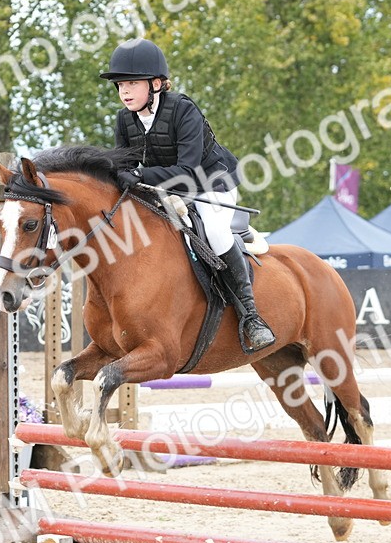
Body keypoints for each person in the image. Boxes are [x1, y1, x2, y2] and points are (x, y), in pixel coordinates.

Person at [100, 38, 275, 352]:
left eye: (132, 83)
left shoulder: (183, 109)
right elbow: (122, 163)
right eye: (120, 84)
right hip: (166, 189)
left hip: (211, 185)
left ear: (156, 83)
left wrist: (138, 175)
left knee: (216, 234)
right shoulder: (124, 119)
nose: (124, 91)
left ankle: (251, 316)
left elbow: (188, 170)